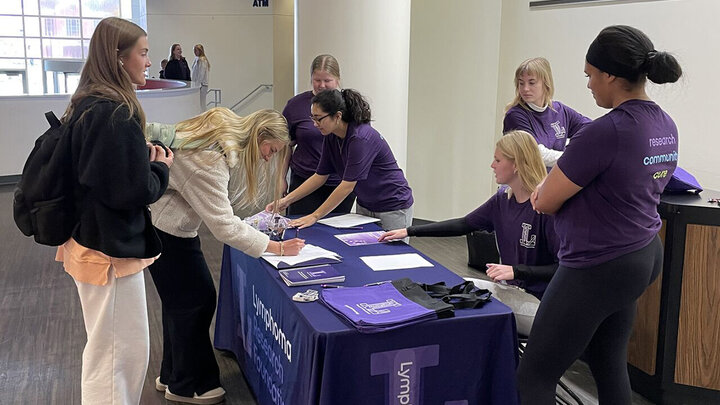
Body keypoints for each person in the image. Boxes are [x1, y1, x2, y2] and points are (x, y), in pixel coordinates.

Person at [521, 25, 682, 404]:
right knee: (607, 361)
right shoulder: (664, 124)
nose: (589, 84)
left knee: (533, 377)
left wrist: (546, 190)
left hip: (598, 264)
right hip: (641, 255)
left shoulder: (604, 131)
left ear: (610, 74)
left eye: (591, 75)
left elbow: (544, 201)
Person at [145, 107, 305, 404]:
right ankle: (190, 386)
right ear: (259, 136)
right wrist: (278, 248)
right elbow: (224, 226)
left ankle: (174, 375)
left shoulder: (218, 137)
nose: (269, 157)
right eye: (270, 150)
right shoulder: (211, 159)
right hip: (166, 231)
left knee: (180, 303)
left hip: (164, 225)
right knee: (196, 302)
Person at [54, 17, 173, 404]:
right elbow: (130, 191)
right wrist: (158, 167)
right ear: (119, 58)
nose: (149, 62)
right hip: (109, 252)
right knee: (118, 359)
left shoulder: (87, 103)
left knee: (109, 351)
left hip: (89, 242)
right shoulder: (114, 112)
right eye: (143, 53)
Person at [380, 131, 558, 300]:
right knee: (455, 289)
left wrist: (517, 271)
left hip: (540, 300)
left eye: (497, 160)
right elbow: (464, 224)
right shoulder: (502, 199)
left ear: (516, 165)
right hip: (511, 290)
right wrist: (409, 231)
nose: (492, 165)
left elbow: (561, 267)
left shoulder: (545, 208)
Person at [267, 89, 414, 231]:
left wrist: (314, 216)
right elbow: (320, 176)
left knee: (390, 253)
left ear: (337, 116)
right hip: (366, 204)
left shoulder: (360, 137)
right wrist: (286, 201)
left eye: (319, 118)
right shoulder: (331, 136)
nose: (314, 124)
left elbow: (347, 186)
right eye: (313, 118)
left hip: (393, 205)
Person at [281, 54, 356, 215]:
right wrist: (281, 179)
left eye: (327, 81)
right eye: (317, 80)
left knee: (334, 231)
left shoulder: (351, 108)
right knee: (301, 227)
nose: (321, 85)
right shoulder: (295, 105)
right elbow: (285, 145)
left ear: (337, 80)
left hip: (339, 182)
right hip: (305, 179)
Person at [503, 57, 591, 167]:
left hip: (550, 181)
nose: (525, 89)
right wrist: (573, 158)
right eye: (521, 83)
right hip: (525, 183)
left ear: (546, 83)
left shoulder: (559, 110)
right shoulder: (515, 116)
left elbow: (592, 130)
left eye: (531, 83)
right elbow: (536, 155)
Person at [191, 44, 210, 111]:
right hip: (198, 84)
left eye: (196, 50)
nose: (194, 52)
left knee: (202, 103)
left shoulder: (202, 60)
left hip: (202, 85)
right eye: (194, 50)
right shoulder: (197, 59)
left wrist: (197, 84)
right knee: (199, 103)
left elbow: (201, 73)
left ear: (200, 51)